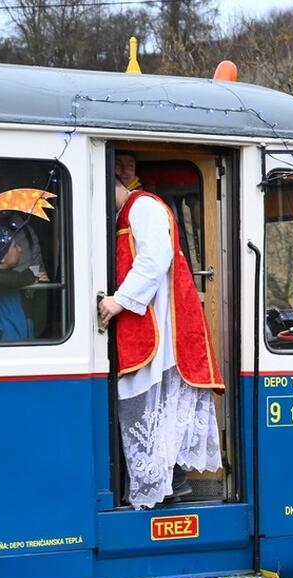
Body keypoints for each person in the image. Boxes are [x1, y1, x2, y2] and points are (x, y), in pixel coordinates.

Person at [98, 179, 224, 509]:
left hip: (158, 323)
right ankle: (167, 480)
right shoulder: (124, 212)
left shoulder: (144, 207)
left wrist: (119, 300)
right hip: (144, 319)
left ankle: (167, 481)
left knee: (149, 402)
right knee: (147, 405)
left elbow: (155, 259)